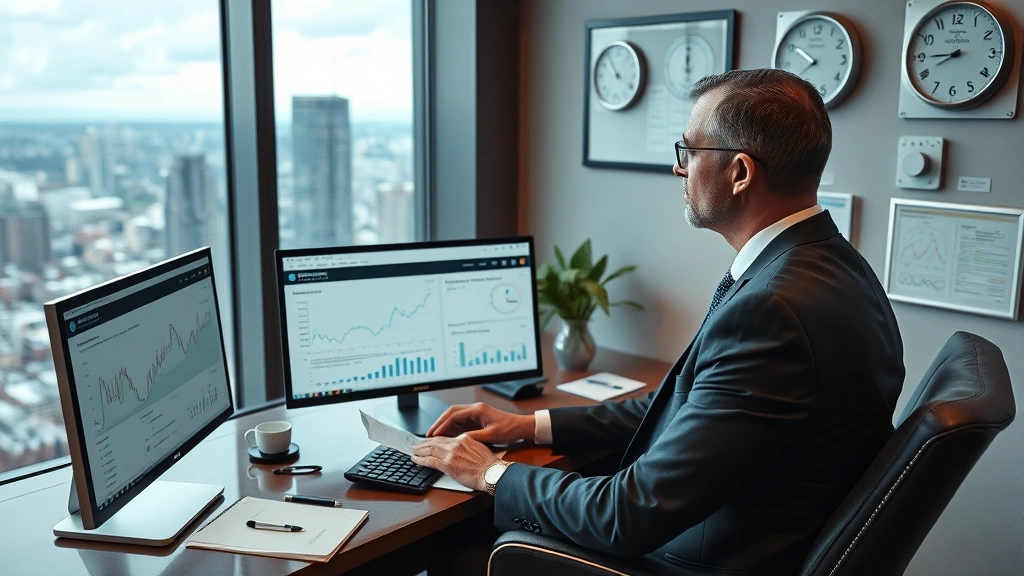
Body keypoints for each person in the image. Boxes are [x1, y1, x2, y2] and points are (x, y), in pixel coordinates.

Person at [411, 68, 905, 575]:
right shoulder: (833, 265)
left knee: (465, 548)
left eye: (690, 151)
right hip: (763, 534)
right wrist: (531, 425)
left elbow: (626, 516)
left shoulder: (772, 310)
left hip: (705, 559)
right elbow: (689, 403)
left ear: (739, 173)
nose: (680, 169)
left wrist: (491, 472)